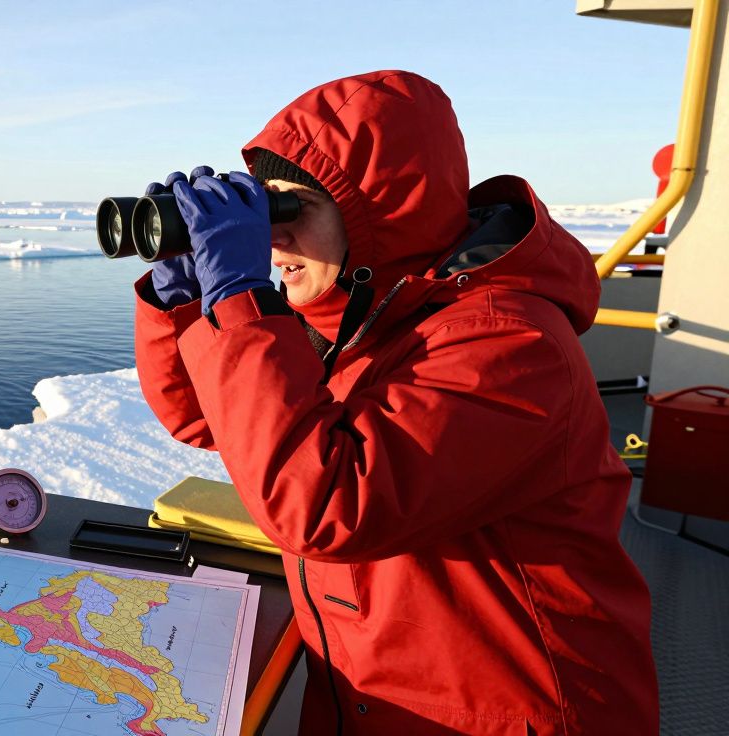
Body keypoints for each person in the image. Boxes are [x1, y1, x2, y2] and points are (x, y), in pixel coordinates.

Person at [134, 70, 659, 734]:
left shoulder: (509, 344)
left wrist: (241, 299)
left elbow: (326, 507)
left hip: (501, 709)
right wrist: (183, 304)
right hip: (374, 690)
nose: (274, 239)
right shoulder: (364, 321)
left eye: (291, 212)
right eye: (263, 215)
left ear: (378, 217)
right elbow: (206, 417)